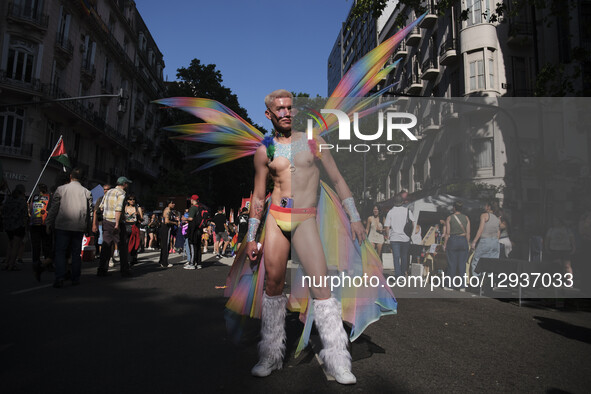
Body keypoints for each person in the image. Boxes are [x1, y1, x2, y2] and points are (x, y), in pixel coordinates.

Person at [236, 90, 384, 385]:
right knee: (273, 286)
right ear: (269, 114)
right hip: (276, 219)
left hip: (305, 218)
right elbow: (258, 195)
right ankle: (270, 354)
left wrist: (354, 217)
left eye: (290, 107)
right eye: (280, 109)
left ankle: (338, 358)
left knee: (321, 287)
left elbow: (338, 179)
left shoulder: (314, 142)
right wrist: (252, 236)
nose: (287, 112)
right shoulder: (264, 151)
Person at [45, 168, 92, 288]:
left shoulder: (61, 189)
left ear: (70, 176)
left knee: (60, 252)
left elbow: (54, 208)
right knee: (76, 253)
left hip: (62, 225)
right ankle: (75, 278)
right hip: (79, 226)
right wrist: (88, 227)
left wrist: (48, 222)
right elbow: (89, 212)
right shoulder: (86, 192)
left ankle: (59, 277)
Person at [97, 176, 133, 277]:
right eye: (127, 183)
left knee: (106, 244)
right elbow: (118, 209)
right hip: (116, 221)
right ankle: (124, 270)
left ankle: (102, 269)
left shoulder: (109, 191)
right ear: (124, 184)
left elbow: (101, 207)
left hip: (106, 220)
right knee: (122, 245)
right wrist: (117, 223)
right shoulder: (121, 193)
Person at [384, 194, 415, 278]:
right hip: (405, 238)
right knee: (404, 256)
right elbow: (412, 223)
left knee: (396, 257)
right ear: (402, 202)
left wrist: (388, 236)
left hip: (394, 238)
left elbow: (387, 227)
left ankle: (398, 275)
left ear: (394, 202)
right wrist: (410, 234)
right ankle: (403, 273)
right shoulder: (407, 211)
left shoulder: (390, 212)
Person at [443, 201, 470, 291]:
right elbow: (468, 233)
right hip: (463, 241)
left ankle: (450, 285)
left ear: (454, 208)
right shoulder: (466, 218)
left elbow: (447, 233)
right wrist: (467, 243)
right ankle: (462, 286)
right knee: (462, 265)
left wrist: (445, 244)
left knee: (452, 264)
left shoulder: (450, 218)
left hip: (453, 240)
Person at [470, 200, 501, 276]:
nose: (484, 207)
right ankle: (489, 283)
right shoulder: (498, 219)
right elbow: (498, 232)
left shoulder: (484, 215)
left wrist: (474, 242)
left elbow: (480, 229)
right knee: (492, 263)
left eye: (485, 205)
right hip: (495, 242)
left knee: (476, 261)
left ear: (489, 207)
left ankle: (476, 283)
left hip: (485, 240)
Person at [29, 183, 53, 280]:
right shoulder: (49, 197)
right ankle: (47, 264)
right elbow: (50, 210)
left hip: (34, 223)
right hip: (44, 224)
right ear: (46, 189)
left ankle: (35, 263)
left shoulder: (34, 197)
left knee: (36, 245)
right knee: (46, 245)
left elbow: (30, 210)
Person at [2, 184, 28, 271]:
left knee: (10, 244)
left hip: (8, 225)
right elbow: (25, 215)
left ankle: (6, 263)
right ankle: (11, 264)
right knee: (16, 245)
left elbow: (3, 210)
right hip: (18, 225)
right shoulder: (22, 201)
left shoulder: (9, 200)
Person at [184, 194, 210, 270]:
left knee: (192, 245)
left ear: (192, 200)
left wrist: (184, 218)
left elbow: (191, 218)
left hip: (193, 229)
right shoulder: (201, 207)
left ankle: (192, 263)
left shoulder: (193, 208)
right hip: (199, 229)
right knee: (198, 246)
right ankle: (199, 263)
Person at [158, 199, 179, 268]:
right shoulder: (168, 210)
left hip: (165, 228)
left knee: (164, 244)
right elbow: (167, 221)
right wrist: (174, 222)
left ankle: (161, 261)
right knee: (166, 245)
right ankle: (164, 263)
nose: (174, 204)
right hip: (166, 228)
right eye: (172, 203)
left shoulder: (167, 210)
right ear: (168, 204)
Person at [123, 193, 143, 265]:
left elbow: (141, 219)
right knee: (127, 243)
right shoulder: (125, 207)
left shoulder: (138, 208)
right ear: (127, 200)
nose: (132, 201)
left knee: (135, 243)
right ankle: (127, 258)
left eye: (133, 199)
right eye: (130, 199)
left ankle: (133, 257)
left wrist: (138, 216)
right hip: (126, 226)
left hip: (135, 226)